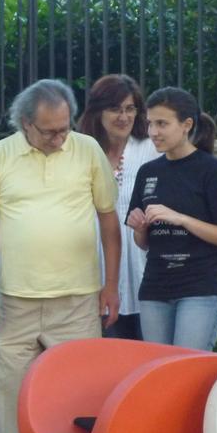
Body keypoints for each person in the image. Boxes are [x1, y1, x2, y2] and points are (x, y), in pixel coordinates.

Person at [0, 79, 120, 433]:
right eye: (49, 131)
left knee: (76, 397)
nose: (59, 138)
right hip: (15, 300)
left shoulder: (87, 150)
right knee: (13, 395)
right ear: (25, 124)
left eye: (64, 128)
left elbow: (109, 220)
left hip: (77, 300)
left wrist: (111, 285)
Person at [127, 87, 217, 350]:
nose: (153, 132)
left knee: (187, 369)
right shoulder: (148, 172)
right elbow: (144, 243)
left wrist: (182, 219)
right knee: (158, 370)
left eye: (162, 124)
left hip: (200, 288)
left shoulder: (213, 170)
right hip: (155, 288)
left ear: (186, 125)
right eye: (149, 123)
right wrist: (140, 228)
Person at [78, 74, 160, 340]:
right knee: (107, 353)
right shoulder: (83, 152)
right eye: (115, 109)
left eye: (130, 108)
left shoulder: (151, 149)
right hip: (98, 261)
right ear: (98, 111)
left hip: (142, 258)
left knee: (149, 351)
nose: (124, 117)